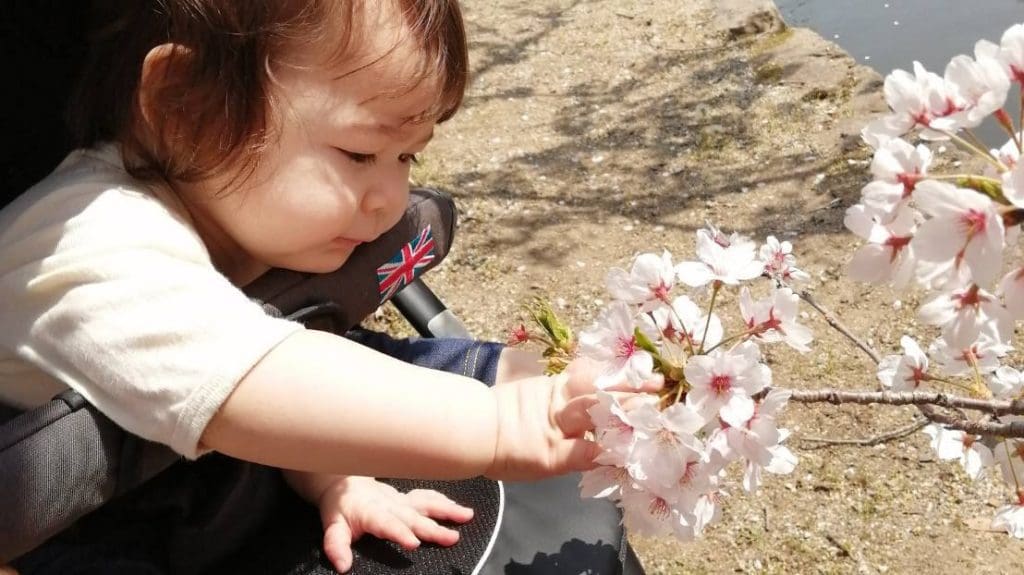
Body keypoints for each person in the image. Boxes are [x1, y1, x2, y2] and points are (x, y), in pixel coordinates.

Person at [0, 0, 655, 573]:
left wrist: (333, 477)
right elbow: (241, 382)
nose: (393, 197)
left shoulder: (231, 211)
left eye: (409, 157)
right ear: (184, 108)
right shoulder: (89, 241)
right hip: (82, 519)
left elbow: (271, 390)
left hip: (206, 462)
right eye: (359, 154)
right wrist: (506, 421)